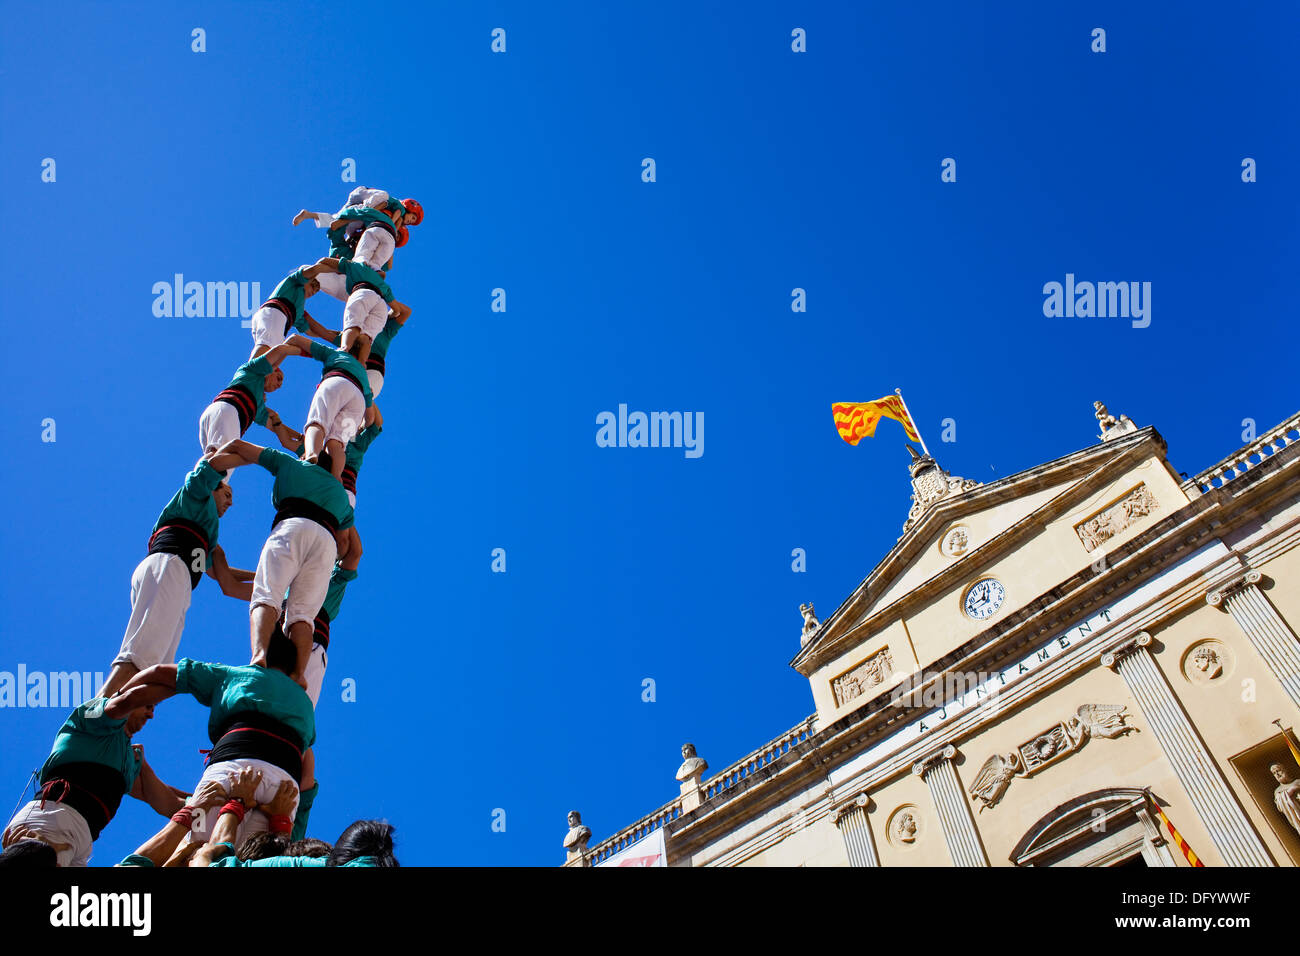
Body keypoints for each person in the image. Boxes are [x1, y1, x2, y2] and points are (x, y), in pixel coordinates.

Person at [114, 634, 315, 848]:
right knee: (257, 857)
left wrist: (119, 699)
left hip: (230, 771)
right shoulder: (305, 703)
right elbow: (307, 765)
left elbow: (158, 673)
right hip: (282, 788)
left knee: (197, 849)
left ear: (261, 651)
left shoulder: (237, 675)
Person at [101, 453, 254, 697]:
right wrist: (256, 457)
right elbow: (210, 466)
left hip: (177, 579)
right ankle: (97, 711)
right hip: (168, 566)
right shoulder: (196, 496)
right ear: (214, 488)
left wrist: (274, 584)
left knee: (155, 670)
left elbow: (228, 582)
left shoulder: (209, 538)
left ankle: (119, 723)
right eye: (227, 494)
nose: (231, 503)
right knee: (144, 652)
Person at [207, 437, 355, 685]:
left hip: (293, 525)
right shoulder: (340, 495)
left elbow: (239, 445)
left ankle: (260, 657)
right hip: (325, 543)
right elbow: (346, 544)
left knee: (266, 595)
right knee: (303, 616)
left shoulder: (292, 465)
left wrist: (213, 464)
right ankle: (298, 674)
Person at [1, 693, 184, 866]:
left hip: (81, 838)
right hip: (53, 819)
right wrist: (168, 679)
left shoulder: (129, 759)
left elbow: (167, 802)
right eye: (148, 705)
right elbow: (122, 700)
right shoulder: (89, 720)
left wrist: (208, 795)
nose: (151, 714)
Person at [198, 343, 304, 479]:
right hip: (229, 410)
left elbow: (276, 427)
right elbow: (281, 349)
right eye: (279, 378)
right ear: (270, 371)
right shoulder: (252, 370)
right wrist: (311, 351)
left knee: (212, 462)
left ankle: (201, 492)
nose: (279, 385)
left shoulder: (257, 406)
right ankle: (208, 495)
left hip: (216, 412)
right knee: (221, 468)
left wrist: (300, 436)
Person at [284, 333, 377, 482]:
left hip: (337, 381)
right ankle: (336, 477)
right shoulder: (364, 377)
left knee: (318, 422)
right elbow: (370, 418)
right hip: (358, 400)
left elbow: (295, 338)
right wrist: (359, 427)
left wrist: (280, 356)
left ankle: (312, 456)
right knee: (337, 443)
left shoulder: (336, 354)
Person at [248, 261, 336, 358]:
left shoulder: (298, 311)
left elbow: (310, 332)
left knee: (269, 353)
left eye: (315, 292)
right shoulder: (294, 281)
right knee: (267, 346)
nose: (313, 291)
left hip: (274, 316)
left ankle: (257, 371)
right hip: (276, 312)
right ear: (307, 281)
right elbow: (315, 269)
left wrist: (336, 333)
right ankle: (250, 372)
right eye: (312, 285)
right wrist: (338, 268)